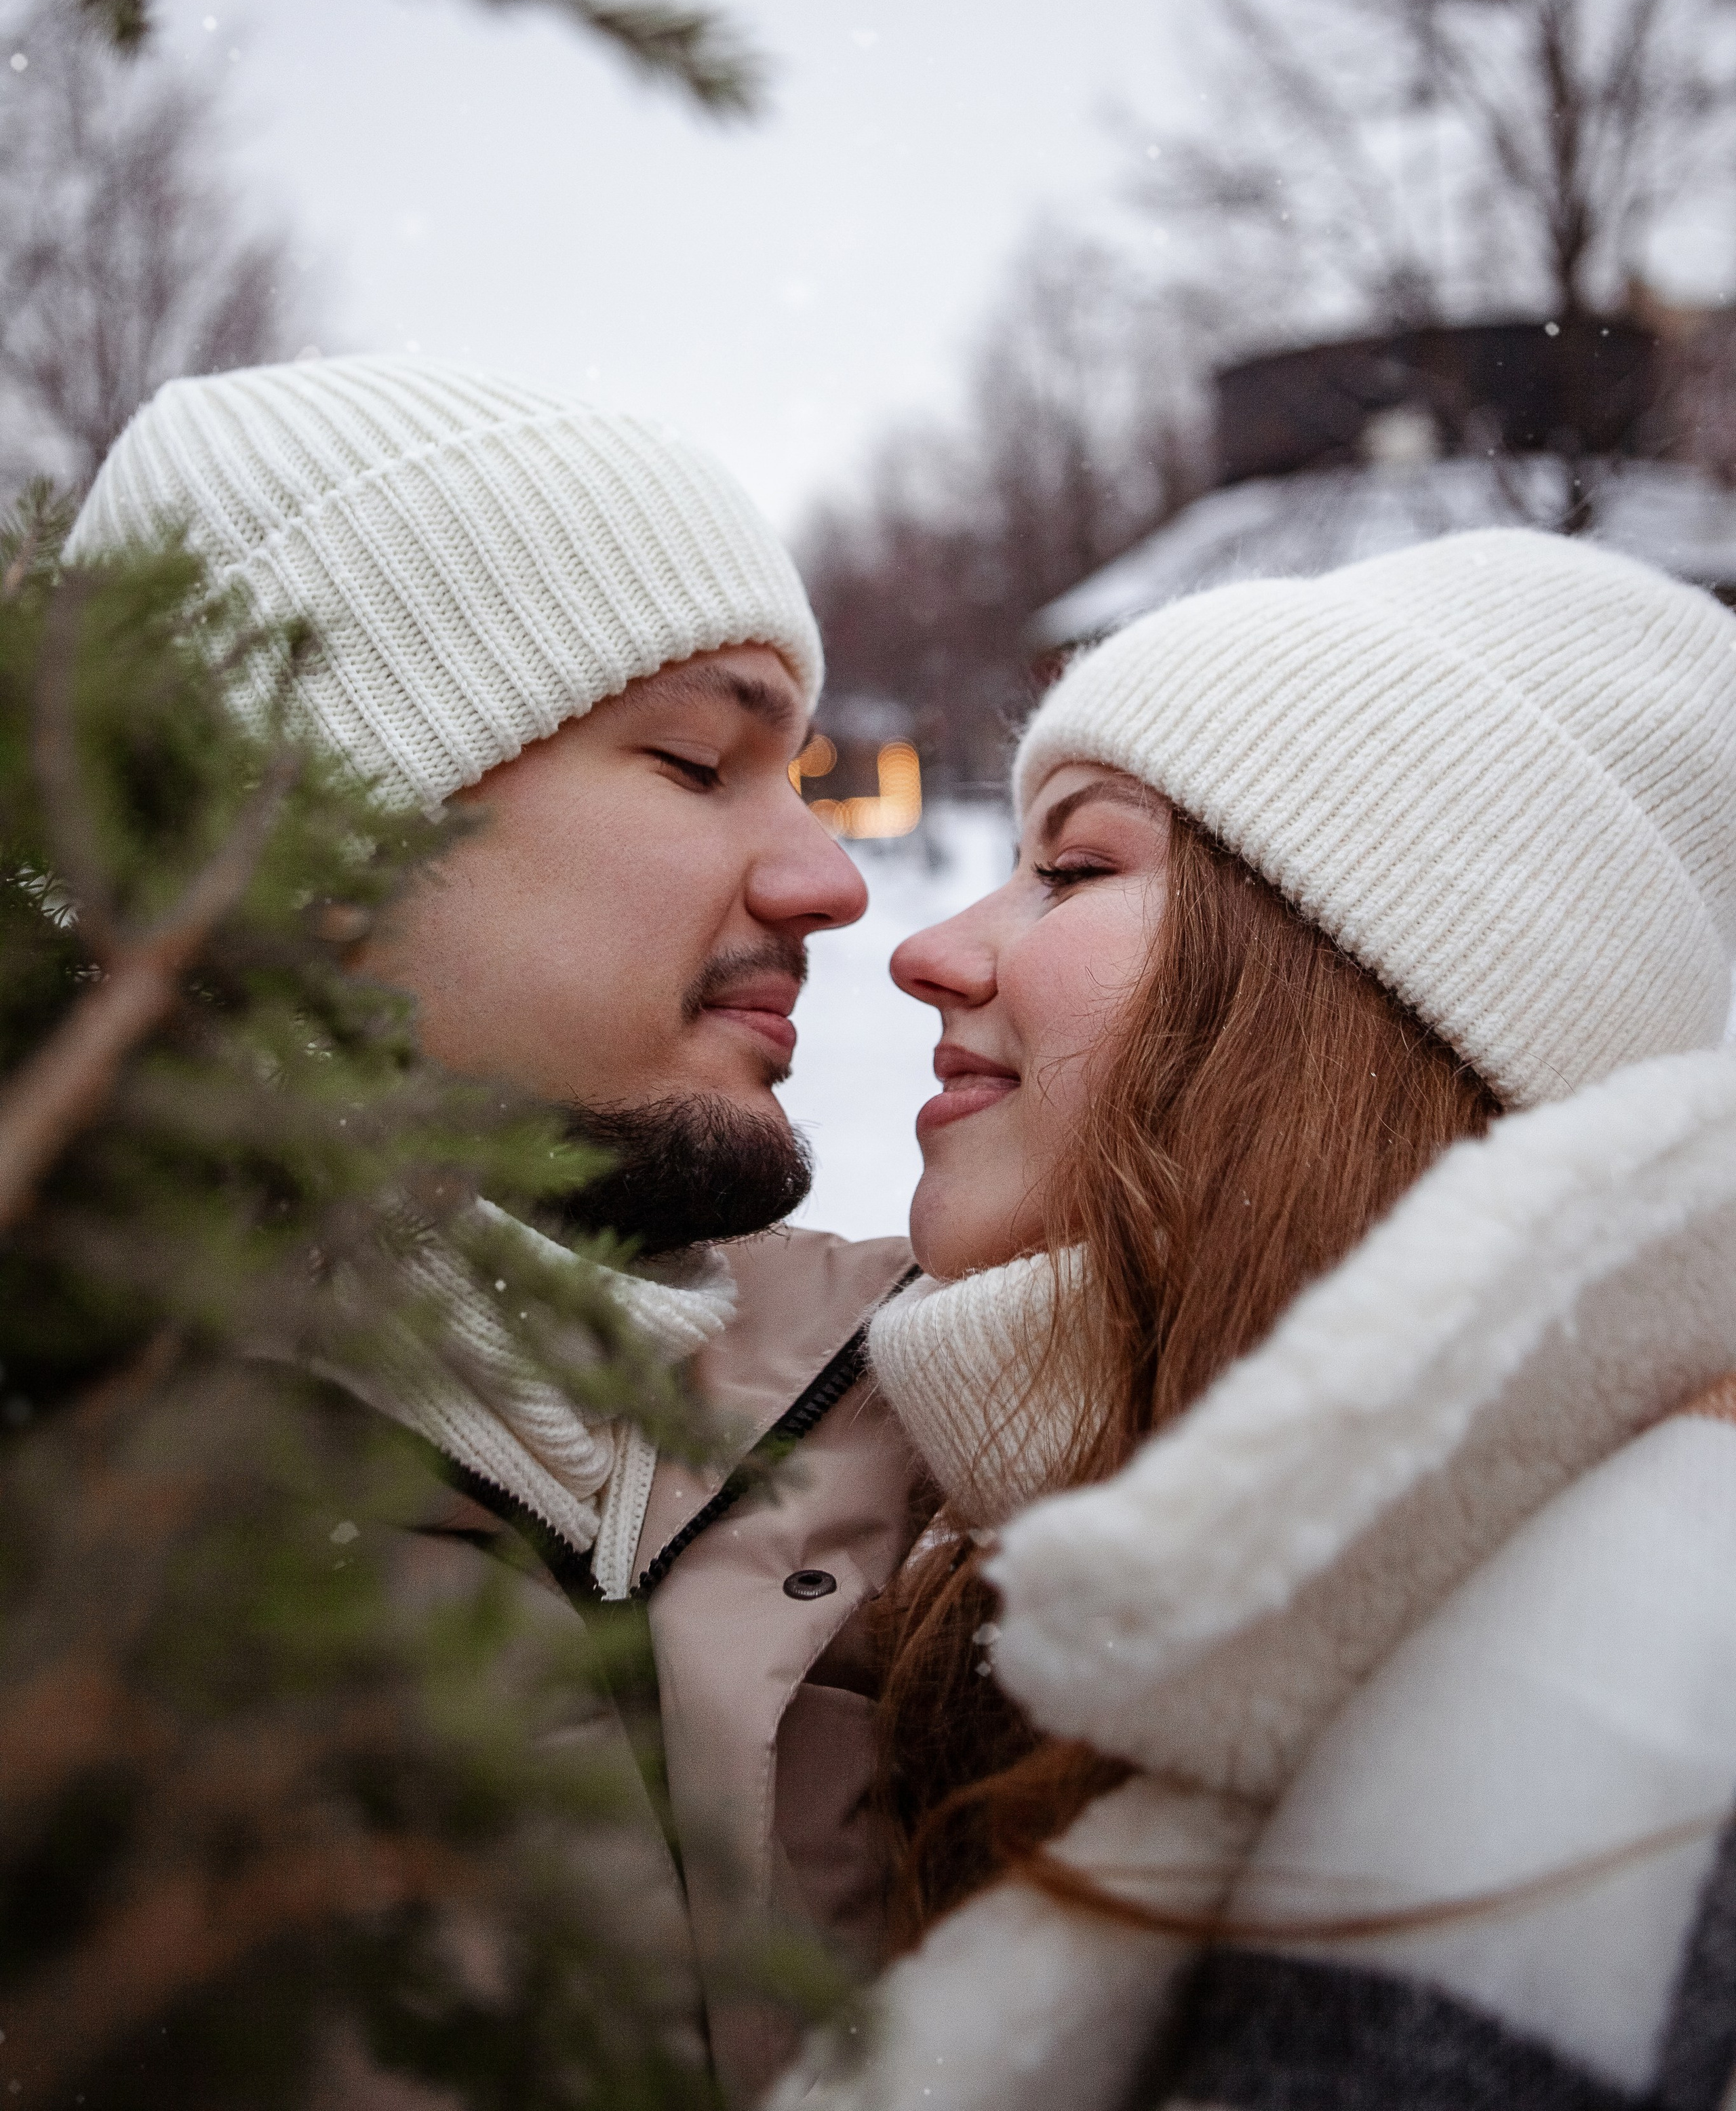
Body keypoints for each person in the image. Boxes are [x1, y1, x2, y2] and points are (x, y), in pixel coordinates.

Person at [772, 527, 1736, 2111]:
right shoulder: (922, 1574)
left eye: (1074, 869)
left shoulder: (1635, 1727)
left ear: (1342, 997)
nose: (928, 947)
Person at [66, 352, 921, 2104]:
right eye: (698, 762)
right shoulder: (74, 1557)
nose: (832, 877)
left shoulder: (943, 1413)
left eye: (802, 774)